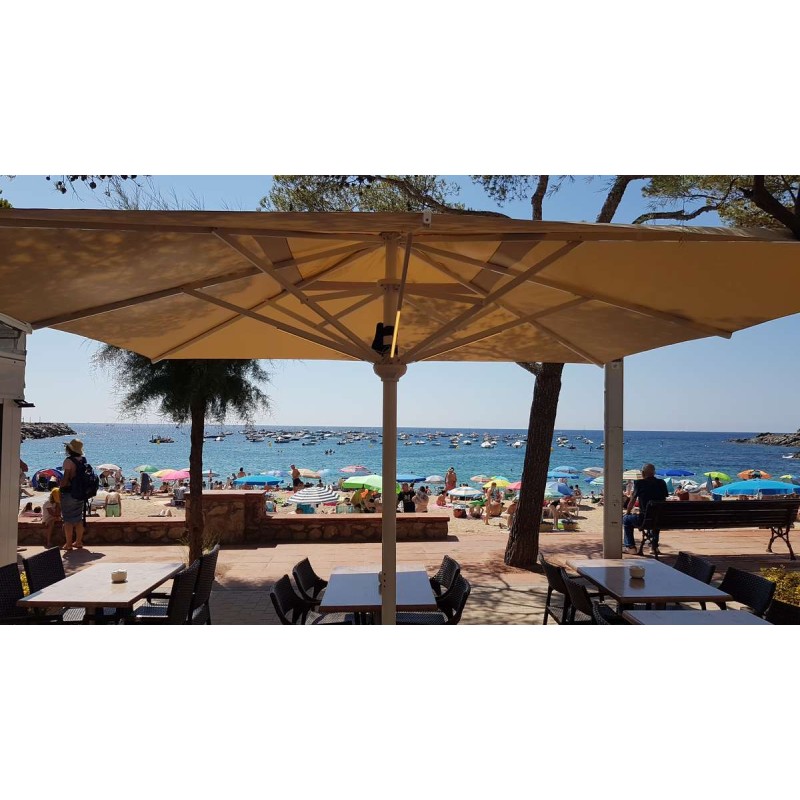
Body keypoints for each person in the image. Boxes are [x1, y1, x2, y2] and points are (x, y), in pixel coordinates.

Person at [623, 463, 669, 555]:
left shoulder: (639, 483)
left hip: (644, 519)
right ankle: (653, 546)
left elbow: (632, 500)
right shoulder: (662, 483)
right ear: (654, 473)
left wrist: (627, 512)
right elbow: (663, 499)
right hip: (660, 519)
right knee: (655, 517)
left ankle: (630, 547)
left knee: (626, 520)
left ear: (643, 473)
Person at [59, 438, 87, 551]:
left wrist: (60, 488)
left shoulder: (68, 461)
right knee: (78, 518)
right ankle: (78, 542)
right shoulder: (83, 460)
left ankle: (69, 544)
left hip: (69, 492)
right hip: (80, 492)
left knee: (68, 519)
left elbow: (66, 478)